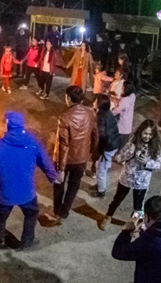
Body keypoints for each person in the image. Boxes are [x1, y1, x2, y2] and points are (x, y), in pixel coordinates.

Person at [0, 111, 57, 249]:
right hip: (27, 191)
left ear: (7, 125)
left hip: (5, 192)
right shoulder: (33, 143)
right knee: (31, 214)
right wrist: (53, 177)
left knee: (0, 218)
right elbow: (45, 162)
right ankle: (27, 242)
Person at [99, 120, 161, 230]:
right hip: (127, 177)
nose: (147, 137)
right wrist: (129, 153)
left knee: (138, 206)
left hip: (142, 181)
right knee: (117, 199)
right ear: (140, 131)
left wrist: (147, 163)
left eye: (150, 134)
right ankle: (108, 216)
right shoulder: (132, 142)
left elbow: (159, 164)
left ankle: (135, 223)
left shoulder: (155, 146)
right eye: (145, 133)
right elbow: (119, 157)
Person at [52, 86, 98, 221]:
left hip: (66, 159)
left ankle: (57, 210)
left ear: (68, 98)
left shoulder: (65, 117)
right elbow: (95, 135)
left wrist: (61, 168)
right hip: (82, 157)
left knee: (59, 184)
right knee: (74, 184)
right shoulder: (91, 113)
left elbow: (63, 144)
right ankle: (65, 211)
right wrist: (90, 152)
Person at [93, 94, 121, 198]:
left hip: (108, 147)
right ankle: (98, 185)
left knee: (101, 169)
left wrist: (99, 149)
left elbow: (102, 135)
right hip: (114, 143)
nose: (93, 103)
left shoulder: (101, 117)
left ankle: (101, 191)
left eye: (95, 101)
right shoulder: (108, 113)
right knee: (100, 166)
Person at [112, 75, 136, 148]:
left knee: (121, 144)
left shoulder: (124, 101)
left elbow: (116, 111)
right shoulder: (132, 96)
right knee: (125, 142)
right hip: (128, 123)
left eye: (122, 88)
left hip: (123, 126)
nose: (121, 89)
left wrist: (112, 110)